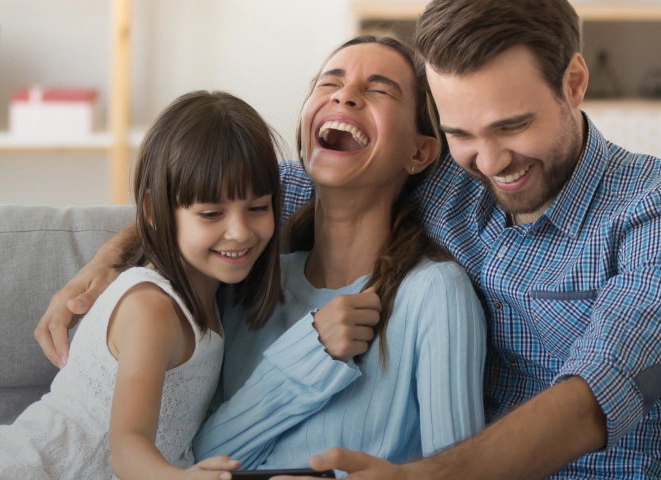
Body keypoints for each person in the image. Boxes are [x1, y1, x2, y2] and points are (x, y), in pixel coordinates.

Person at [39, 0, 661, 477]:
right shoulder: (452, 182)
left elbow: (591, 402)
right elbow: (223, 191)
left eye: (510, 127)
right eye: (462, 133)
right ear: (432, 144)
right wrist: (111, 263)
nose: (489, 161)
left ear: (574, 82)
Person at [0, 90, 285, 480]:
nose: (240, 231)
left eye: (258, 208)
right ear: (153, 211)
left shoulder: (209, 294)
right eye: (211, 214)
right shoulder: (151, 308)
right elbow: (128, 449)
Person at [189, 36, 486, 469]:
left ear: (419, 152)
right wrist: (311, 350)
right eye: (330, 84)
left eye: (380, 89)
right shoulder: (249, 276)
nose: (346, 95)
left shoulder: (434, 294)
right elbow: (197, 458)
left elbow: (463, 476)